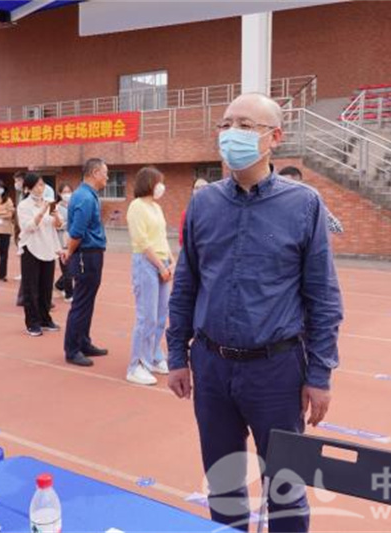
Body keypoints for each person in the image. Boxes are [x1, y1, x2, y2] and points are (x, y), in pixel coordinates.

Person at [166, 93, 343, 532]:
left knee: (285, 486)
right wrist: (176, 355)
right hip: (211, 367)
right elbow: (186, 284)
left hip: (277, 371)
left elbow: (323, 296)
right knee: (223, 483)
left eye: (245, 126)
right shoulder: (204, 204)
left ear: (274, 137)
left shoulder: (304, 204)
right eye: (226, 124)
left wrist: (320, 374)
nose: (232, 134)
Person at [125, 167, 176, 385]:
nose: (161, 186)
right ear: (148, 183)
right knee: (146, 316)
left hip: (161, 261)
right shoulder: (136, 206)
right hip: (146, 263)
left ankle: (154, 356)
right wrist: (161, 266)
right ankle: (137, 365)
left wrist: (171, 261)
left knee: (161, 315)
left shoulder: (156, 207)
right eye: (158, 182)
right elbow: (142, 241)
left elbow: (161, 237)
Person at [62, 158, 110, 367]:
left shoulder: (88, 195)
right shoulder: (85, 197)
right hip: (86, 255)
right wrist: (69, 251)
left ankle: (83, 342)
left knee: (87, 301)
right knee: (81, 302)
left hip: (92, 253)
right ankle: (72, 349)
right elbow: (77, 232)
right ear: (95, 172)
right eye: (105, 173)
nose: (107, 177)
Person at [17, 173, 62, 336]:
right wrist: (42, 211)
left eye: (42, 184)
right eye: (37, 185)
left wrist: (56, 215)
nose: (40, 188)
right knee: (31, 287)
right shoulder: (23, 205)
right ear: (28, 188)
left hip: (48, 247)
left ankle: (45, 319)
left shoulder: (49, 203)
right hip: (31, 248)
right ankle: (32, 322)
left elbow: (58, 225)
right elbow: (28, 227)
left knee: (46, 287)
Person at [278, 166, 344, 234]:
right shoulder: (275, 204)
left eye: (289, 184)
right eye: (282, 184)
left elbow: (336, 228)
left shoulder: (311, 204)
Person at [54, 182, 75, 302]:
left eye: (69, 192)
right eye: (64, 192)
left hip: (74, 240)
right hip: (62, 240)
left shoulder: (75, 205)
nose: (67, 194)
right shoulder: (56, 208)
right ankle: (69, 294)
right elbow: (58, 225)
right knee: (67, 268)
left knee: (74, 267)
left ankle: (59, 285)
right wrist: (71, 224)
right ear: (60, 194)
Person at [178, 177, 208, 247]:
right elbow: (182, 238)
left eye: (203, 187)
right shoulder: (187, 213)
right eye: (196, 188)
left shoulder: (217, 211)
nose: (200, 190)